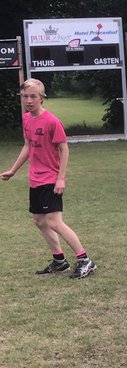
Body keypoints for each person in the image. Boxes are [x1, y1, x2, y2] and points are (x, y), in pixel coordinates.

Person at [1, 78, 97, 278]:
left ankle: (85, 259)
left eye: (33, 96)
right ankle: (59, 260)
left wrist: (61, 178)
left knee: (53, 221)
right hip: (35, 179)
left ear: (42, 97)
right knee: (39, 220)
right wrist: (13, 170)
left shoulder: (52, 121)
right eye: (25, 96)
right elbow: (28, 146)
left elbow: (64, 149)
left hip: (50, 178)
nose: (29, 100)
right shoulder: (26, 119)